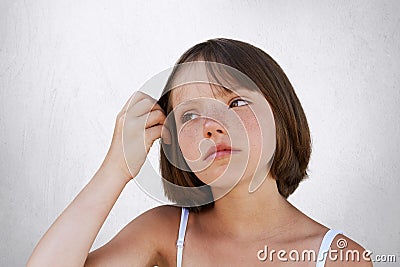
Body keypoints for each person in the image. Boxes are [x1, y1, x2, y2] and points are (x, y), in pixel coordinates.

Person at [28, 38, 372, 266]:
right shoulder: (163, 232)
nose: (212, 125)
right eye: (191, 114)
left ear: (280, 118)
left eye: (235, 102)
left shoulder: (339, 258)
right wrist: (115, 170)